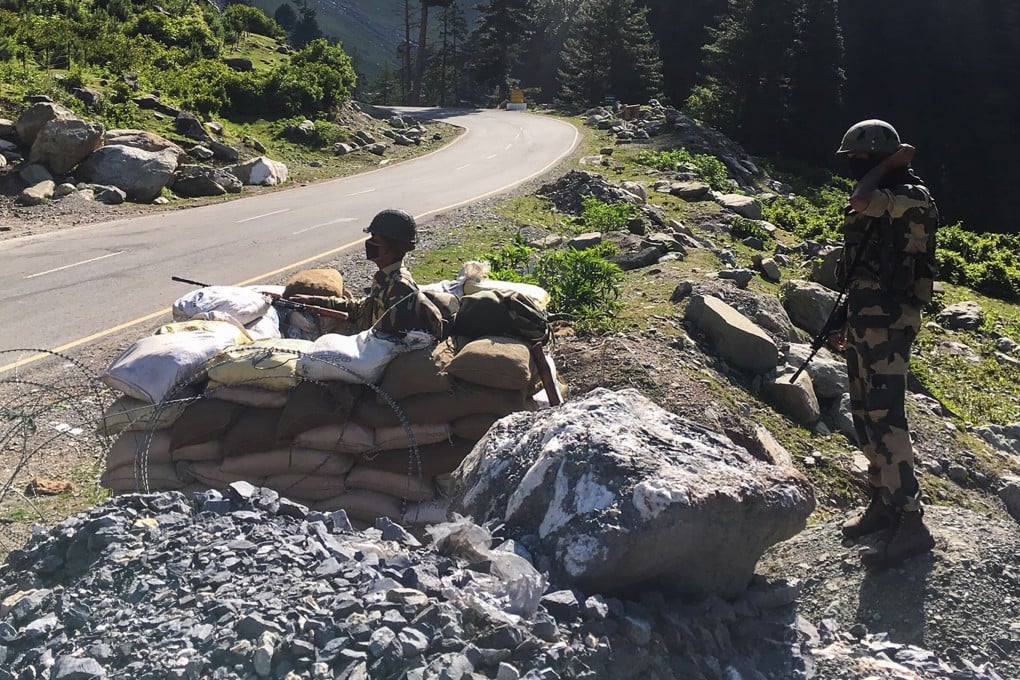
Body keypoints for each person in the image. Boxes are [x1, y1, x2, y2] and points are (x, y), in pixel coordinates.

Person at [829, 119, 939, 569]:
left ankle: (910, 522)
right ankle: (883, 501)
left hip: (891, 320)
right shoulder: (883, 195)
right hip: (865, 315)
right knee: (863, 414)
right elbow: (860, 264)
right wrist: (842, 317)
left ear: (879, 158)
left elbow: (862, 198)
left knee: (886, 416)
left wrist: (891, 165)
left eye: (861, 159)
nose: (855, 167)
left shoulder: (911, 197)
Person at [290, 209, 446, 338]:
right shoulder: (385, 278)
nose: (369, 244)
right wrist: (314, 300)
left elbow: (389, 339)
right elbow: (362, 308)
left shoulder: (399, 287)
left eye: (374, 240)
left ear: (388, 249)